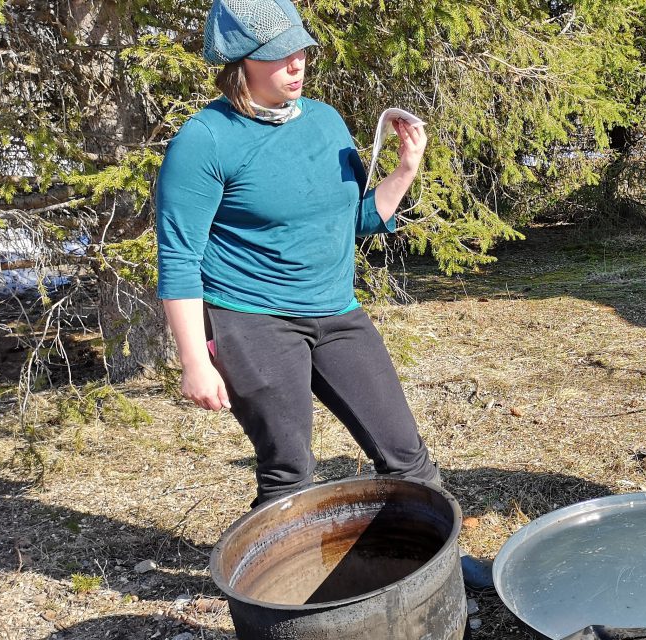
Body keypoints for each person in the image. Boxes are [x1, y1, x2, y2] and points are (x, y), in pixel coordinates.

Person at [155, 0, 440, 507]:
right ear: (240, 61)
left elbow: (354, 221)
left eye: (302, 51)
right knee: (289, 473)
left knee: (406, 456)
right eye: (279, 55)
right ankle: (276, 588)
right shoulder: (204, 141)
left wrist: (404, 170)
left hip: (336, 312)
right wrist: (195, 360)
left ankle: (438, 573)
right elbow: (179, 260)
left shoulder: (325, 121)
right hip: (252, 321)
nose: (297, 64)